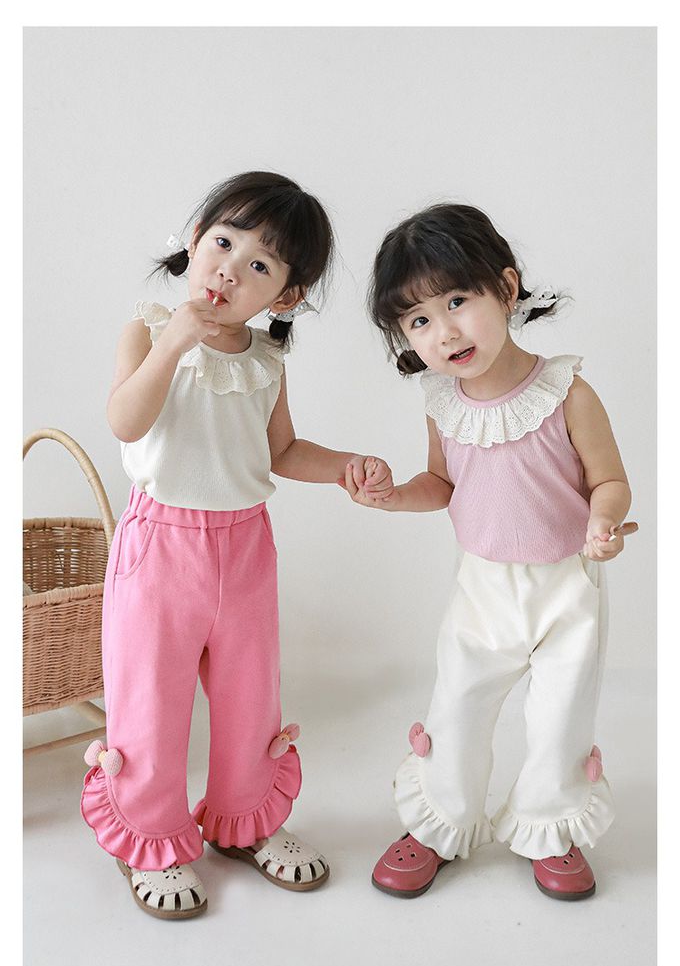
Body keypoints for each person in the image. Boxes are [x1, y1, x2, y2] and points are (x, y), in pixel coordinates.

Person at [81, 170, 393, 919]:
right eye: (223, 243)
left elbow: (280, 451)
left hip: (245, 545)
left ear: (284, 297)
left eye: (260, 264)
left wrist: (346, 466)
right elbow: (125, 420)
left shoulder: (264, 361)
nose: (229, 269)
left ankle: (243, 819)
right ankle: (149, 835)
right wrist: (175, 341)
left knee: (250, 694)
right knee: (151, 696)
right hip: (161, 546)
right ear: (195, 241)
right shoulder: (148, 329)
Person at [343, 203, 637, 900]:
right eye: (418, 320)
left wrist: (604, 520)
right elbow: (443, 484)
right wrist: (393, 495)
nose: (444, 331)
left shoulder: (567, 392)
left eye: (457, 301)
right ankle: (441, 821)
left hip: (566, 585)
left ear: (505, 289)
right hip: (482, 587)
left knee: (560, 716)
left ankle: (550, 826)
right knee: (459, 704)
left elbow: (611, 481)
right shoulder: (442, 403)